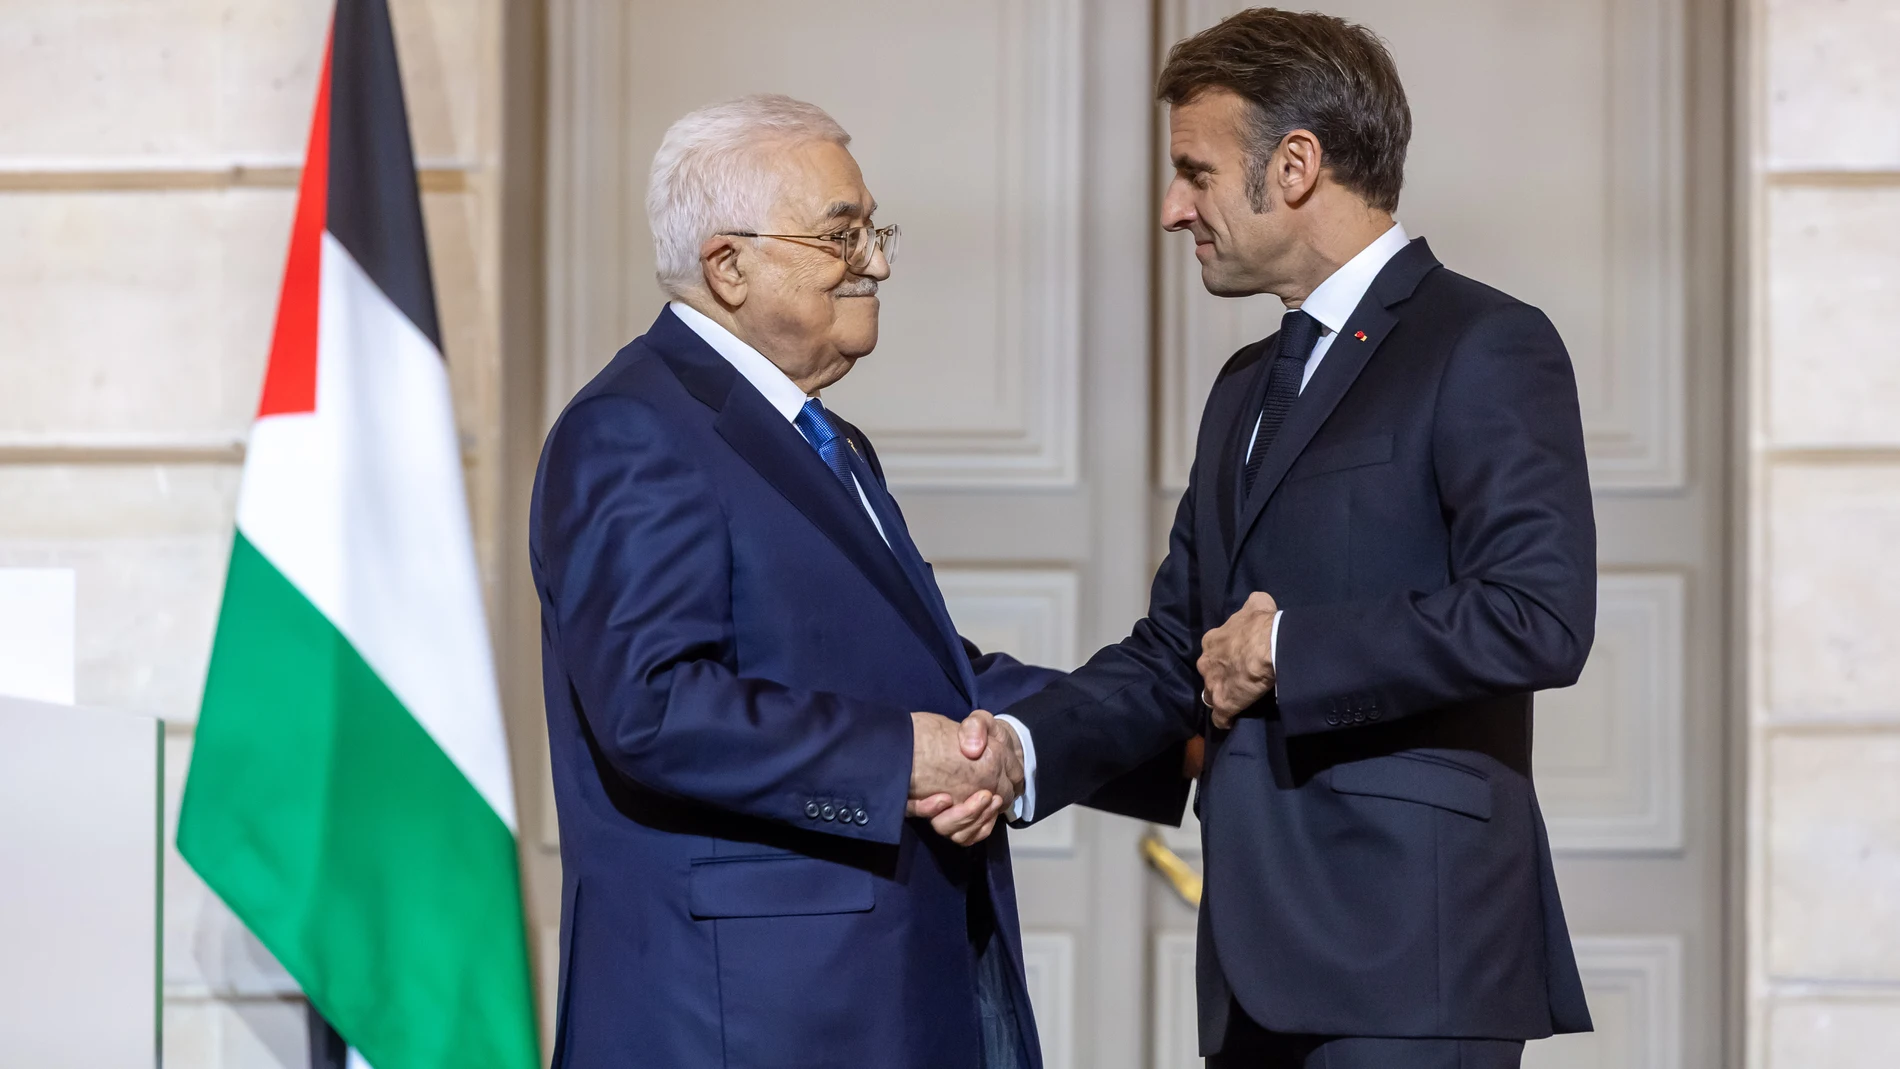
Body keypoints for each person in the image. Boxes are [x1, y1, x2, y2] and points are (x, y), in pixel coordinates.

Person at [990, 10, 1599, 1067]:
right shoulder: (1239, 388)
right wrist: (1017, 749)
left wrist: (1284, 652)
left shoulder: (1487, 342)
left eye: (1196, 171)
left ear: (1298, 164)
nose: (1174, 209)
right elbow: (1176, 650)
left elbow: (1536, 614)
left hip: (1413, 965)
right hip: (1254, 972)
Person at [530, 94, 1052, 1069]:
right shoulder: (634, 429)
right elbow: (654, 704)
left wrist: (1150, 717)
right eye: (841, 236)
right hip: (742, 1022)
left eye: (872, 230)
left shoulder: (828, 442)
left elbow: (922, 678)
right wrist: (902, 759)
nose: (879, 263)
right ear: (728, 265)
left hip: (871, 1002)